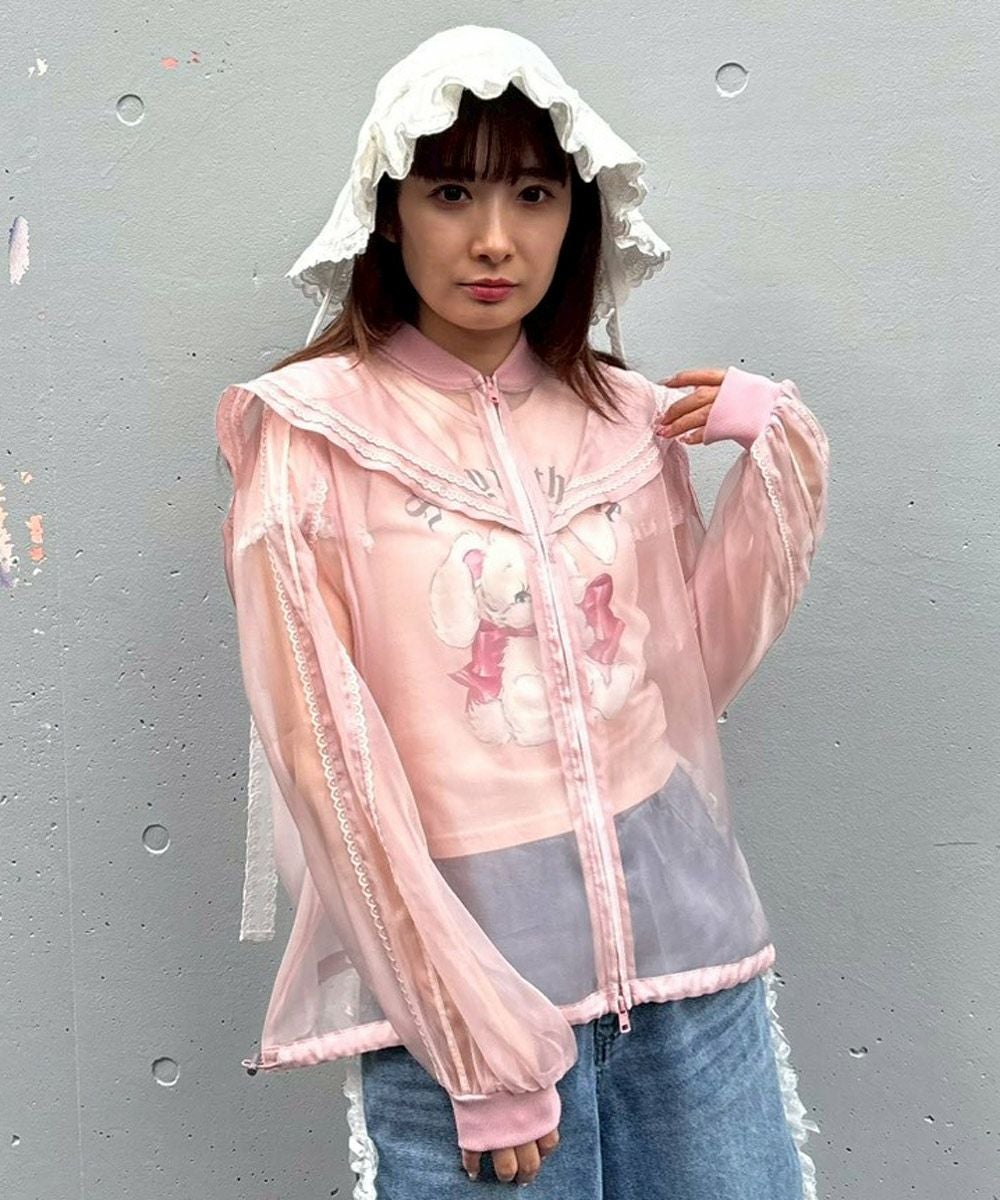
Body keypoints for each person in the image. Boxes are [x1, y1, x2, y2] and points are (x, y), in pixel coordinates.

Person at [214, 23, 827, 1199]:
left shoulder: (622, 418)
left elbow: (687, 671)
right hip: (472, 992)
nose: (494, 238)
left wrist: (776, 458)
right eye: (451, 192)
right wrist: (473, 1039)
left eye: (534, 195)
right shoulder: (313, 436)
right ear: (388, 213)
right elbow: (325, 754)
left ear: (575, 216)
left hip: (687, 967)